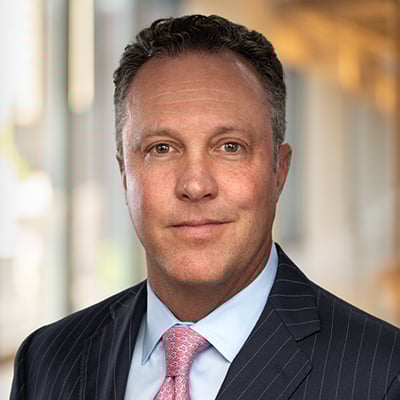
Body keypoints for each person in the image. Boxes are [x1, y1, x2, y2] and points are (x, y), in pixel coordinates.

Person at [10, 14, 400, 400]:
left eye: (230, 147)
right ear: (125, 173)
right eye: (162, 148)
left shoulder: (383, 375)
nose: (195, 186)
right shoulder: (46, 360)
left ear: (279, 171)